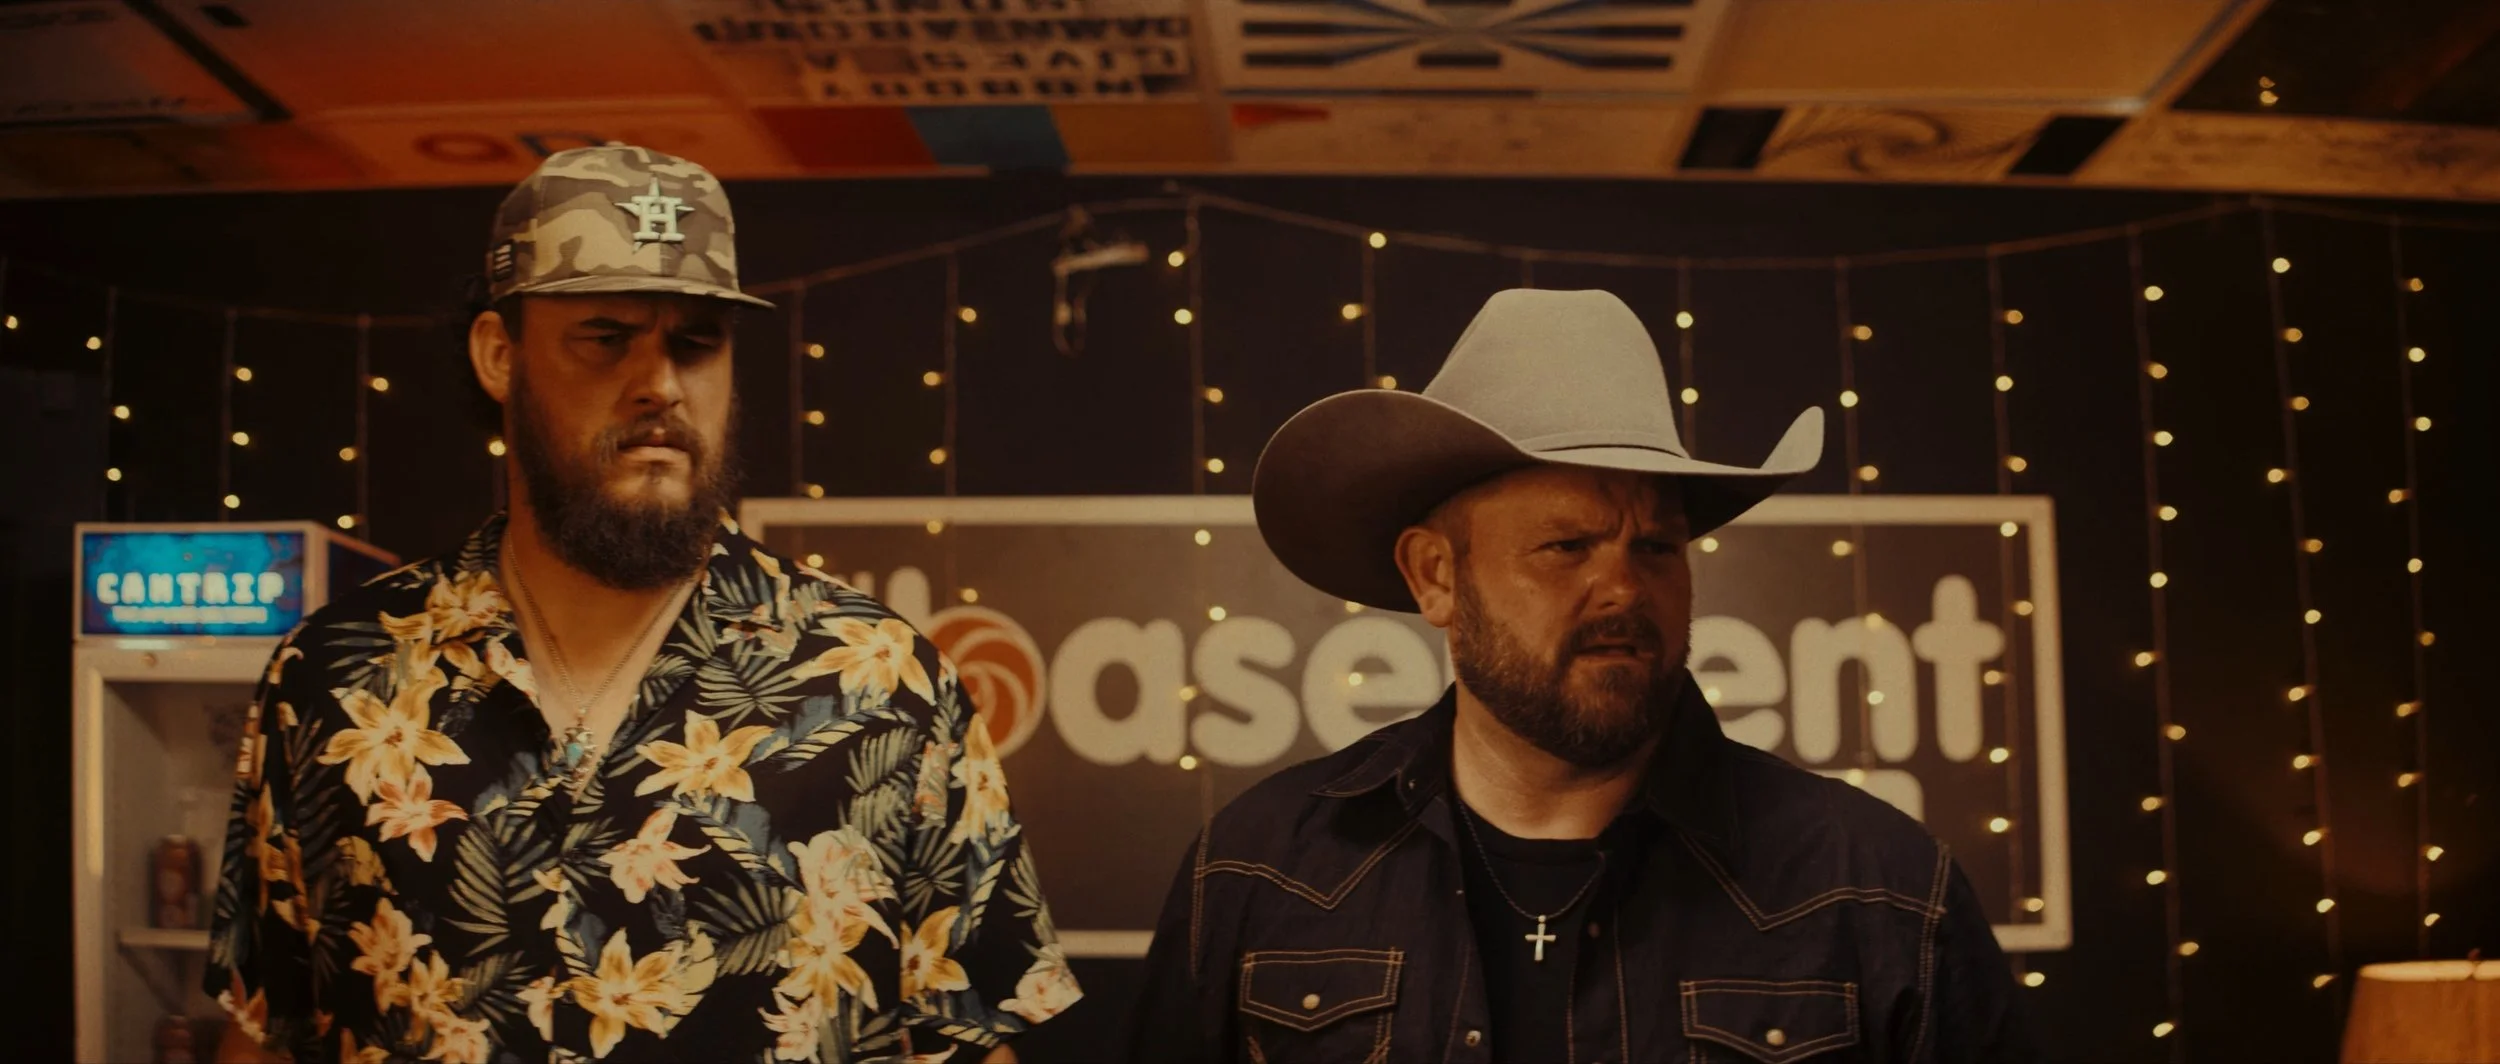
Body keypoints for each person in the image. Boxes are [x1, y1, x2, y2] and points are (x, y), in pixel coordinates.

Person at [205, 145, 1078, 1063]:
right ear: (500, 354)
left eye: (696, 342)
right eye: (607, 335)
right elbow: (268, 1024)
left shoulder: (880, 683)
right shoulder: (339, 675)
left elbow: (973, 1040)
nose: (660, 383)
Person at [1125, 289, 2032, 1062]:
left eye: (1657, 546)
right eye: (1567, 547)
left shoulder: (1878, 890)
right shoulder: (1257, 872)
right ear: (1436, 576)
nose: (1624, 589)